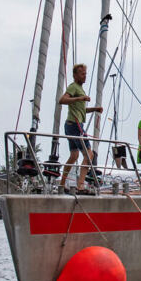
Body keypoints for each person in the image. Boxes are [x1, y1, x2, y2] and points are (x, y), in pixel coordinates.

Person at [58, 63, 102, 191]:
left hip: (71, 125)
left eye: (85, 74)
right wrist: (80, 98)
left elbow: (81, 110)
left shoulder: (80, 89)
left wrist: (95, 109)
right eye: (82, 74)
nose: (85, 76)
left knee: (74, 156)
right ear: (75, 75)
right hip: (75, 126)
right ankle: (81, 185)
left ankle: (61, 184)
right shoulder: (73, 87)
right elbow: (62, 100)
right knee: (89, 154)